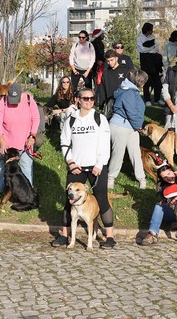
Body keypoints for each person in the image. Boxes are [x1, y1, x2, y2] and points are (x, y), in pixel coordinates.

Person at [51, 88, 115, 249]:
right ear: (78, 100)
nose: (89, 101)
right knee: (69, 201)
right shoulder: (71, 119)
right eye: (85, 98)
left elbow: (105, 144)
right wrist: (70, 162)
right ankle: (65, 236)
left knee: (102, 199)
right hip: (76, 167)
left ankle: (110, 237)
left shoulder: (100, 119)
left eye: (92, 98)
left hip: (96, 167)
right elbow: (64, 142)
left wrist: (100, 164)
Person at [0, 83, 40, 200]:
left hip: (25, 140)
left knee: (26, 165)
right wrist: (1, 139)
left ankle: (28, 191)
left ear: (21, 94)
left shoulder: (29, 100)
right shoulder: (3, 102)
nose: (13, 102)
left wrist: (32, 136)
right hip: (7, 140)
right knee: (0, 164)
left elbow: (36, 118)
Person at [107, 70, 148, 190]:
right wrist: (139, 126)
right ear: (140, 82)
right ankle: (111, 178)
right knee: (118, 153)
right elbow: (131, 112)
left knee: (135, 152)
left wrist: (136, 126)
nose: (144, 84)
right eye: (144, 82)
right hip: (121, 126)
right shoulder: (128, 92)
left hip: (131, 127)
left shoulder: (131, 90)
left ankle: (141, 178)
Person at [138, 163, 177, 246]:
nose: (168, 178)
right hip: (174, 213)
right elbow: (163, 202)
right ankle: (152, 234)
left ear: (173, 171)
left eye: (169, 173)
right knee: (158, 206)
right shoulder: (164, 187)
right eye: (165, 177)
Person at [137, 22, 164, 104]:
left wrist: (148, 48)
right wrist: (151, 48)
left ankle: (157, 99)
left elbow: (156, 49)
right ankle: (147, 100)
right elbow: (142, 50)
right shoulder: (139, 38)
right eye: (151, 30)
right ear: (147, 30)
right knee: (146, 81)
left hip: (154, 61)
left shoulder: (152, 37)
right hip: (145, 60)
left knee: (157, 81)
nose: (152, 31)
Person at [68, 29, 96, 94]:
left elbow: (93, 59)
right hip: (76, 69)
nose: (81, 39)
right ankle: (73, 102)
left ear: (86, 38)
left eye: (83, 37)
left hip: (86, 70)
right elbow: (71, 57)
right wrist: (74, 70)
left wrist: (87, 71)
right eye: (79, 37)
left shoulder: (90, 45)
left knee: (88, 88)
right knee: (73, 88)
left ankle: (88, 101)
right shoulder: (75, 45)